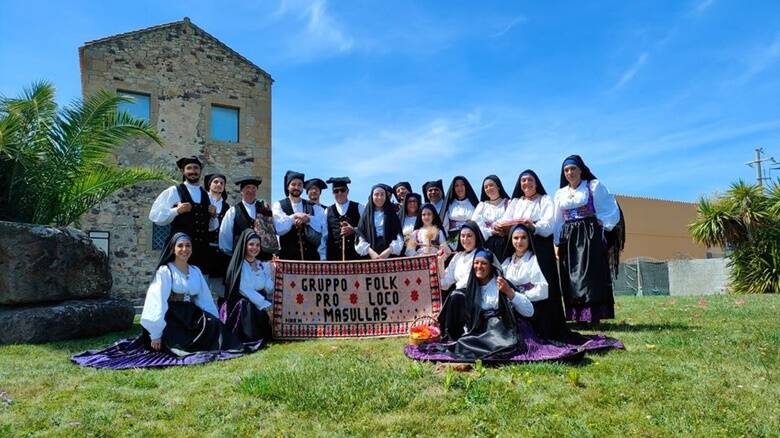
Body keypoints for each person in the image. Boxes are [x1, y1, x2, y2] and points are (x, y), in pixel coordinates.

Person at [72, 233, 248, 369]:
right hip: (172, 316)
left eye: (188, 246)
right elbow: (157, 301)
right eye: (180, 246)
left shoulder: (195, 270)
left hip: (192, 313)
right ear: (173, 249)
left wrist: (213, 318)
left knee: (214, 327)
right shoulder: (166, 271)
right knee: (180, 342)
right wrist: (155, 333)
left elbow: (204, 297)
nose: (185, 249)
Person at [553, 155, 623, 324]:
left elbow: (611, 209)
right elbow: (557, 219)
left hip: (589, 234)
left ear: (581, 170)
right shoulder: (560, 193)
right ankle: (576, 316)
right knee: (571, 276)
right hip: (568, 236)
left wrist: (602, 222)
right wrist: (556, 242)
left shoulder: (593, 187)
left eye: (573, 169)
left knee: (590, 275)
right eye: (566, 170)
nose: (570, 173)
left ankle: (594, 316)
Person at [436, 250, 534, 360]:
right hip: (478, 330)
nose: (479, 266)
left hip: (498, 331)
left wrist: (509, 292)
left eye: (484, 263)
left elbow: (529, 311)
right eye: (476, 263)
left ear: (491, 266)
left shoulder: (501, 284)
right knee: (456, 296)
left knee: (470, 344)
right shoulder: (471, 286)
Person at [149, 156, 213, 270]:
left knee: (199, 281)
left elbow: (211, 226)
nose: (193, 171)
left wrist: (213, 216)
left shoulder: (206, 194)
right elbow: (155, 215)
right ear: (183, 171)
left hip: (202, 250)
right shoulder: (174, 191)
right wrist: (176, 211)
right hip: (181, 248)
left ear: (200, 171)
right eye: (189, 168)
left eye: (196, 168)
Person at [220, 229, 274, 343]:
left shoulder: (261, 265)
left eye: (257, 245)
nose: (255, 247)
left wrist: (271, 273)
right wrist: (264, 304)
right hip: (246, 302)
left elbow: (269, 288)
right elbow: (244, 289)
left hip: (261, 300)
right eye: (251, 244)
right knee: (247, 306)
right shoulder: (240, 266)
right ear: (244, 245)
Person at [273, 170, 326, 261]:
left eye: (299, 185)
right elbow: (279, 228)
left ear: (302, 188)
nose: (296, 187)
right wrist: (294, 217)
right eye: (293, 184)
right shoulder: (278, 205)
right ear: (288, 186)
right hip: (288, 260)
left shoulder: (313, 207)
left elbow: (322, 227)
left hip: (312, 260)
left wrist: (308, 219)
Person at [218, 177, 274, 259]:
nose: (251, 191)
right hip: (241, 259)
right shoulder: (233, 211)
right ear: (241, 191)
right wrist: (235, 255)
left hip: (262, 259)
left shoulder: (265, 209)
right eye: (247, 187)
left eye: (254, 188)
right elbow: (225, 237)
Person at [355, 184, 404, 259]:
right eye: (376, 194)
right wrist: (371, 252)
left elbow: (398, 235)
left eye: (382, 194)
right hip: (370, 256)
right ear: (372, 196)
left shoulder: (392, 214)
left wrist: (388, 251)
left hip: (390, 255)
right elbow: (360, 236)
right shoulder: (365, 216)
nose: (379, 197)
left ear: (386, 197)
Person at [202, 173, 231, 296]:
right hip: (203, 250)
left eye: (221, 183)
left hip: (220, 253)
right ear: (209, 185)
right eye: (216, 182)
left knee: (220, 288)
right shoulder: (202, 201)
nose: (218, 184)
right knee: (202, 285)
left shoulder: (226, 206)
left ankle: (221, 313)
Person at [324, 177, 365, 261]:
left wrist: (354, 230)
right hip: (334, 258)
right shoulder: (327, 211)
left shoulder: (359, 207)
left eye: (342, 190)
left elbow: (367, 229)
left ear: (347, 191)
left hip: (355, 257)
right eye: (336, 191)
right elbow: (324, 236)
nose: (339, 193)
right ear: (333, 193)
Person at [472, 175, 511, 261]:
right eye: (486, 187)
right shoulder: (482, 206)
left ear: (498, 186)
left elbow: (511, 220)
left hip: (505, 243)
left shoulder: (508, 203)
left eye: (491, 185)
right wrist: (490, 231)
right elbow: (475, 225)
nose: (489, 188)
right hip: (486, 244)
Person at [439, 220, 486, 291]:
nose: (465, 239)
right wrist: (441, 262)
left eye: (469, 236)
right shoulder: (457, 257)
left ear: (476, 237)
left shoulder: (481, 255)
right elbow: (444, 284)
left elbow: (469, 282)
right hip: (458, 295)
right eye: (462, 236)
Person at [442, 176, 479, 250]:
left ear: (466, 186)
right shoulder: (449, 204)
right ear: (453, 188)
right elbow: (445, 224)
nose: (460, 188)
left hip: (470, 237)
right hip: (453, 239)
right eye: (456, 185)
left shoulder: (473, 203)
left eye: (462, 185)